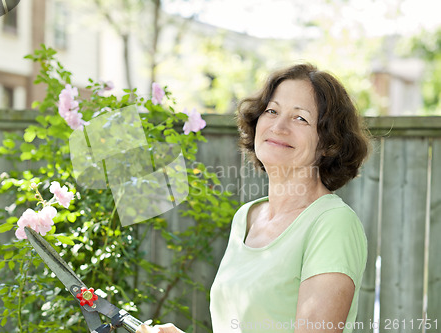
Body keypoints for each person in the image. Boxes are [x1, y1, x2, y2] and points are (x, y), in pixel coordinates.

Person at [137, 63, 370, 333]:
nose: (279, 126)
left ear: (329, 143)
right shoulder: (246, 218)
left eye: (300, 118)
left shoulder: (332, 224)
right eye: (271, 111)